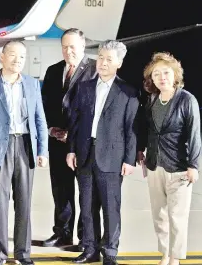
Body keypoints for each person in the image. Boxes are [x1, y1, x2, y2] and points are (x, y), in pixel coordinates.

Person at [66, 40, 139, 265]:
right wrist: (71, 151)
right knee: (86, 207)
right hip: (85, 155)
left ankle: (110, 251)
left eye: (109, 59)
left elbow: (132, 129)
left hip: (112, 158)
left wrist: (129, 159)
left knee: (110, 207)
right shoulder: (84, 88)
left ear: (119, 63)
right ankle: (90, 249)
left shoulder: (128, 92)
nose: (103, 63)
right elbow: (75, 123)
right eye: (100, 58)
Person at [0, 41, 49, 265]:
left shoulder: (32, 84)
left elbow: (40, 118)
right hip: (1, 147)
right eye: (13, 55)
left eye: (22, 57)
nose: (17, 60)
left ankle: (23, 254)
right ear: (2, 57)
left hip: (25, 145)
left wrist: (42, 150)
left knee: (24, 202)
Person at [137, 52, 200, 265]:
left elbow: (194, 135)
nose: (162, 77)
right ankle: (164, 253)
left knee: (177, 218)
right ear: (151, 79)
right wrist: (141, 151)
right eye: (157, 74)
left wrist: (194, 165)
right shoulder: (152, 100)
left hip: (180, 167)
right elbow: (148, 131)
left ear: (175, 75)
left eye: (166, 72)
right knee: (160, 217)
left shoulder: (187, 100)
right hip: (155, 166)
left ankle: (175, 258)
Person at [40, 28, 97, 250]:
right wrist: (51, 129)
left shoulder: (94, 70)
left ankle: (85, 238)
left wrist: (73, 134)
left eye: (73, 46)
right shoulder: (54, 71)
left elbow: (94, 109)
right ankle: (62, 234)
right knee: (61, 191)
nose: (68, 51)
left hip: (82, 144)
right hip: (58, 142)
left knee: (86, 193)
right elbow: (45, 105)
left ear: (83, 46)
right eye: (65, 47)